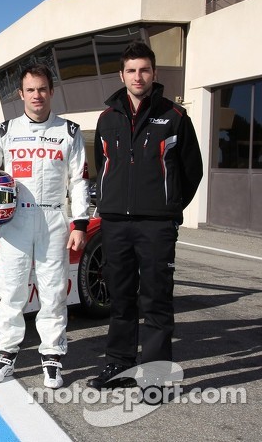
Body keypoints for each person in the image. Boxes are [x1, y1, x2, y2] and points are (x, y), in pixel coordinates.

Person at [0, 63, 90, 389]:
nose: (37, 95)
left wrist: (80, 224)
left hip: (54, 219)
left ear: (51, 91)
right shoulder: (6, 131)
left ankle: (52, 358)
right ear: (21, 94)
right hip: (15, 220)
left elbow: (79, 182)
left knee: (53, 292)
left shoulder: (70, 132)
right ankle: (5, 354)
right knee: (11, 291)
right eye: (30, 90)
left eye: (42, 89)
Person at [88, 41, 203, 390]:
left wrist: (169, 210)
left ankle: (155, 377)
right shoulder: (107, 119)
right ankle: (120, 366)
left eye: (144, 70)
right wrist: (108, 205)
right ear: (121, 75)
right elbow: (102, 166)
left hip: (156, 225)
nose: (138, 76)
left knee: (156, 300)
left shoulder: (175, 117)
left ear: (154, 73)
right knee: (120, 298)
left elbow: (192, 171)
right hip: (115, 224)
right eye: (131, 70)